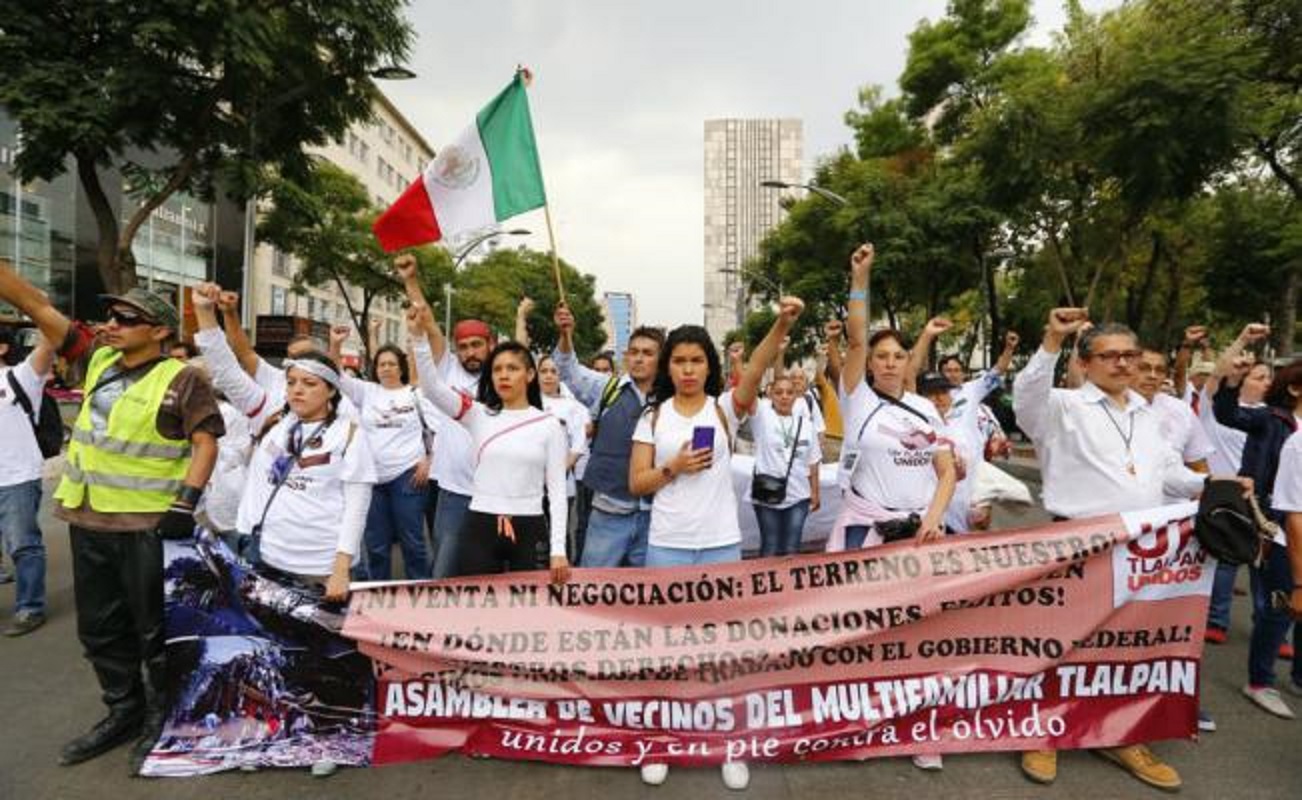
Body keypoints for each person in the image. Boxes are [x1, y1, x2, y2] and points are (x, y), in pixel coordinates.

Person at [0, 259, 223, 774]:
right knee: (99, 629)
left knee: (153, 632)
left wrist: (184, 504)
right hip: (89, 520)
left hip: (146, 529)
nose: (113, 325)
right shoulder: (96, 360)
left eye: (127, 319)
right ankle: (123, 712)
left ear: (161, 330)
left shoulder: (183, 379)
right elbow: (35, 305)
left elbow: (205, 444)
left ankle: (161, 720)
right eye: (112, 318)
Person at [1013, 309, 1230, 791]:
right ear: (1086, 363)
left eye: (1129, 355)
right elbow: (1025, 401)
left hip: (1143, 550)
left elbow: (1167, 473)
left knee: (1128, 648)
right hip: (1079, 544)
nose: (1122, 364)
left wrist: (1214, 485)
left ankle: (1121, 734)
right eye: (1109, 356)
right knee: (1063, 645)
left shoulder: (1149, 415)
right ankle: (1044, 732)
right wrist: (1051, 338)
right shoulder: (1063, 407)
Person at [627, 296, 799, 790]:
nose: (687, 369)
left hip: (721, 545)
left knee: (724, 651)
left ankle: (730, 744)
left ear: (709, 365)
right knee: (666, 650)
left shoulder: (726, 409)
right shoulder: (652, 417)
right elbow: (635, 482)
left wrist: (782, 323)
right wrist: (671, 469)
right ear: (668, 366)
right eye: (678, 360)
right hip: (666, 546)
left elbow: (762, 363)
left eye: (696, 360)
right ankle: (662, 742)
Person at [828, 246, 956, 772]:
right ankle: (857, 726)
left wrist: (932, 519)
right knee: (862, 634)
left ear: (908, 363)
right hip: (865, 532)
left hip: (919, 538)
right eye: (880, 356)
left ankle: (915, 729)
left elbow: (946, 471)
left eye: (897, 356)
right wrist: (861, 276)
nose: (887, 361)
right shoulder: (856, 397)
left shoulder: (926, 407)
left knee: (918, 635)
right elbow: (856, 336)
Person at [409, 302, 570, 582]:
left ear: (530, 375)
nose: (504, 375)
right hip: (479, 525)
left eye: (512, 368)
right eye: (497, 370)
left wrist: (558, 549)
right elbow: (433, 389)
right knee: (476, 611)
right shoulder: (477, 414)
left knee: (529, 610)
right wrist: (419, 339)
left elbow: (556, 492)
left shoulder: (550, 425)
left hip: (530, 526)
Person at [1212, 323, 1302, 719]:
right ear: (1296, 388)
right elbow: (1227, 412)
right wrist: (1232, 378)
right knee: (1279, 603)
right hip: (1272, 520)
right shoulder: (1272, 419)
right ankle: (1260, 681)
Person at [394, 254, 491, 578]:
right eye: (463, 346)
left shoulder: (505, 376)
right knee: (445, 570)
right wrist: (411, 281)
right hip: (452, 491)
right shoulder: (447, 368)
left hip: (496, 490)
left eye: (477, 345)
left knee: (490, 574)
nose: (470, 352)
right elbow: (429, 325)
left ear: (491, 345)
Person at [552, 304, 664, 568]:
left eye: (647, 353)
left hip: (657, 516)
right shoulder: (607, 388)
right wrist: (566, 334)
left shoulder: (672, 400)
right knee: (594, 591)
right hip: (608, 512)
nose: (638, 358)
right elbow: (567, 370)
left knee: (648, 597)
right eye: (633, 352)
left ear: (661, 359)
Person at [328, 325, 434, 581]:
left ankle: (420, 593)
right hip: (372, 479)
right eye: (381, 364)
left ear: (401, 367)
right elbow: (336, 376)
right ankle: (376, 598)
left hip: (407, 476)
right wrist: (335, 345)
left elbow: (438, 431)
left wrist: (430, 461)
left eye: (391, 363)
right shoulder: (366, 391)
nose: (386, 368)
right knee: (376, 546)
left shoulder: (416, 394)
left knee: (413, 543)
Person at [914, 328, 1019, 533]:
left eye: (956, 370)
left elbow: (998, 370)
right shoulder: (922, 405)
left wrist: (1008, 348)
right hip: (938, 484)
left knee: (975, 536)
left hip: (971, 484)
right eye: (948, 370)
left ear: (963, 373)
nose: (952, 374)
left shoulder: (970, 392)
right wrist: (926, 336)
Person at [1201, 343, 1271, 644]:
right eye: (1258, 376)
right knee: (1228, 557)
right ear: (1242, 380)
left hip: (1263, 496)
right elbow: (1217, 376)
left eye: (1269, 378)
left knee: (1265, 562)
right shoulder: (1219, 408)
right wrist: (1241, 340)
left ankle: (1268, 625)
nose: (1266, 382)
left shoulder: (1273, 417)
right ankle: (1217, 620)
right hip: (1226, 490)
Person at [0, 325, 55, 636]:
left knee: (23, 546)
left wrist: (38, 310)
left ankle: (30, 608)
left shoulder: (18, 377)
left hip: (16, 478)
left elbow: (49, 344)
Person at [748, 372, 821, 556]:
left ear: (796, 395)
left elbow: (813, 461)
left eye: (789, 392)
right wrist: (737, 363)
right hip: (767, 493)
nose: (784, 397)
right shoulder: (762, 416)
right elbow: (747, 389)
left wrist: (815, 491)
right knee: (770, 545)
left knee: (792, 547)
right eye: (779, 392)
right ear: (771, 394)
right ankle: (765, 583)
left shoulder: (806, 424)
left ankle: (788, 584)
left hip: (798, 496)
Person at [537, 354, 590, 555]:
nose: (549, 376)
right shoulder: (527, 401)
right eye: (544, 371)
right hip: (530, 485)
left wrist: (558, 472)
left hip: (561, 485)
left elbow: (579, 444)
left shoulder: (572, 407)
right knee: (533, 537)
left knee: (559, 536)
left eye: (553, 371)